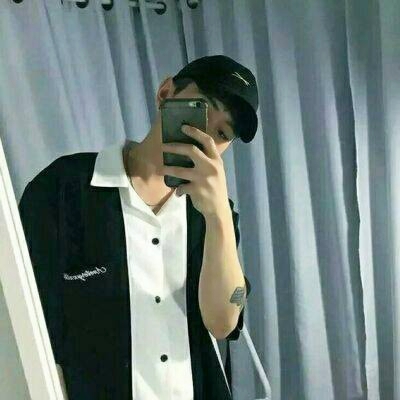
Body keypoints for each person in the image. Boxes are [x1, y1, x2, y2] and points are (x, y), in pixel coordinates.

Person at [18, 54, 259, 400]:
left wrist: (218, 215)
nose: (205, 134)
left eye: (222, 133)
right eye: (202, 109)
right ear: (165, 94)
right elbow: (30, 320)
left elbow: (222, 323)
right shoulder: (63, 188)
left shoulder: (211, 215)